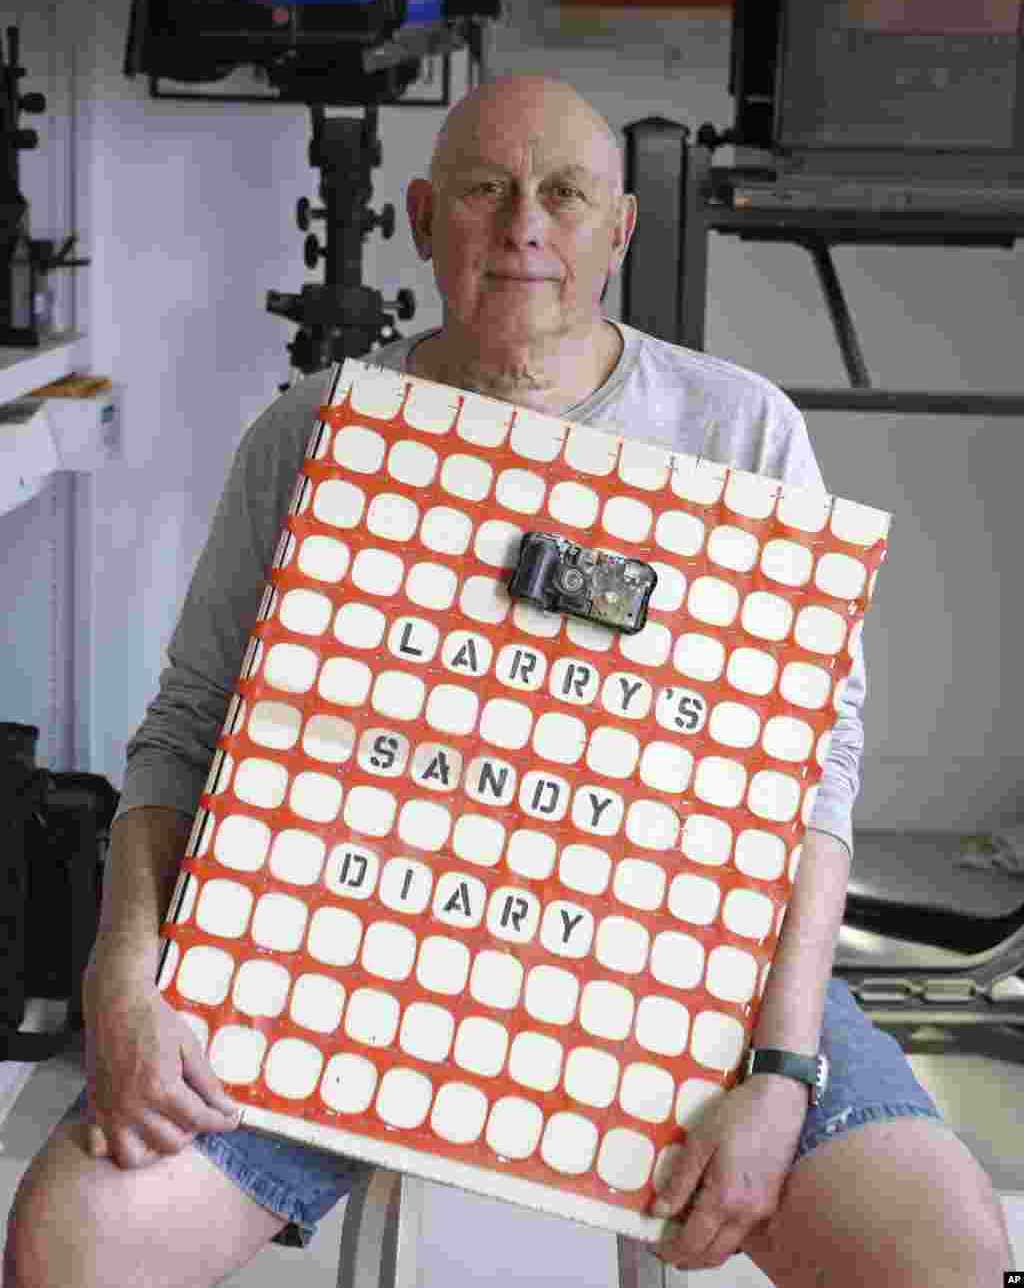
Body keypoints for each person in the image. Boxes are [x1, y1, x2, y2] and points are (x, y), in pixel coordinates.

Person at [6, 73, 1012, 1287]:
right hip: (329, 953)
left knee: (943, 1250)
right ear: (425, 221)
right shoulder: (315, 426)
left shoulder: (738, 433)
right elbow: (181, 733)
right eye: (485, 191)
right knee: (68, 1243)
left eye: (564, 193)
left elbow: (809, 777)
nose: (524, 224)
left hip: (684, 971)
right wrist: (125, 972)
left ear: (619, 231)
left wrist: (783, 1071)